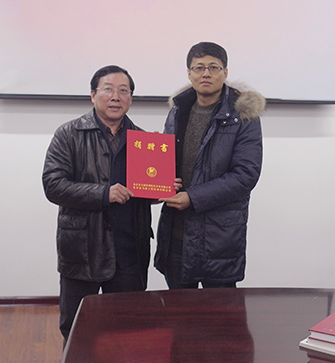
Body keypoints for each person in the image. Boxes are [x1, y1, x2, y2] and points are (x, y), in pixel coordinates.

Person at [42, 65, 152, 341]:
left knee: (129, 332)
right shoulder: (69, 134)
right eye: (108, 89)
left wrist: (163, 188)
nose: (116, 97)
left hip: (129, 251)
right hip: (83, 251)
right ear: (93, 95)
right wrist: (103, 193)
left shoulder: (144, 141)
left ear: (131, 98)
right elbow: (53, 185)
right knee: (78, 332)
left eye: (123, 91)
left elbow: (145, 192)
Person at [154, 42, 265, 289]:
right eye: (199, 67)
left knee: (219, 311)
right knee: (178, 310)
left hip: (218, 237)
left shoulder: (242, 116)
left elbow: (245, 175)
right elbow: (168, 162)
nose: (206, 73)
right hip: (177, 233)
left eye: (213, 67)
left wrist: (192, 198)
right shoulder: (178, 111)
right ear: (189, 73)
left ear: (225, 73)